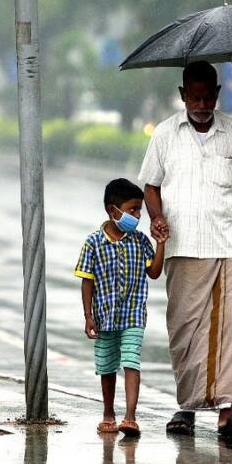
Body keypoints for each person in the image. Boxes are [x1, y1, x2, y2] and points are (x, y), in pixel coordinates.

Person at [137, 60, 232, 436]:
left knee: (227, 331)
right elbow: (150, 186)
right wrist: (156, 217)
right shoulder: (164, 134)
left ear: (218, 94)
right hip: (181, 246)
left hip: (224, 244)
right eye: (194, 97)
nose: (202, 103)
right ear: (182, 96)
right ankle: (186, 410)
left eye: (208, 96)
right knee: (184, 328)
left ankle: (228, 411)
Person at [75, 178, 166, 437]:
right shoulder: (93, 243)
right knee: (107, 365)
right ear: (112, 210)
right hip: (105, 317)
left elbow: (155, 272)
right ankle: (108, 414)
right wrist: (88, 316)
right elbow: (87, 281)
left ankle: (130, 417)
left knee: (131, 361)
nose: (137, 215)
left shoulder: (140, 241)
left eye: (139, 210)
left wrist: (161, 243)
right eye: (132, 209)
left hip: (134, 314)